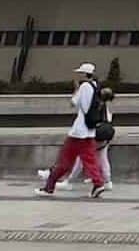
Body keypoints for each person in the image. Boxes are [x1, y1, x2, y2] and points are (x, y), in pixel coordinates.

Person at [35, 63, 108, 198]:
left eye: (80, 73)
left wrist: (75, 90)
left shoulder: (84, 87)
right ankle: (98, 183)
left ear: (85, 74)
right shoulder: (96, 86)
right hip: (89, 130)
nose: (78, 75)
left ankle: (49, 187)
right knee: (89, 159)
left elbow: (73, 103)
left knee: (65, 160)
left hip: (78, 131)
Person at [42, 86, 117, 193]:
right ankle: (106, 181)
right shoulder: (105, 107)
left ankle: (68, 180)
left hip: (92, 135)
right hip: (104, 137)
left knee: (81, 159)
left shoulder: (95, 104)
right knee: (101, 158)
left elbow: (76, 105)